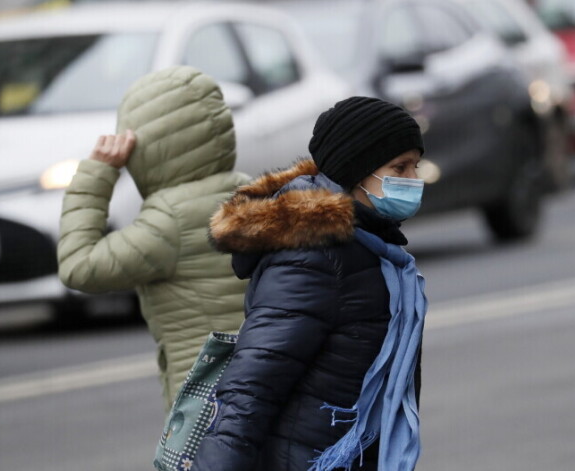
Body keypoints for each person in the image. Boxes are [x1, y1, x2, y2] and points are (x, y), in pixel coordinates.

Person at [192, 96, 428, 471]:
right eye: (399, 168)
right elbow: (252, 386)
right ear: (356, 171)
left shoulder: (372, 249)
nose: (414, 181)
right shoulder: (313, 258)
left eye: (416, 166)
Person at [56, 66, 249, 411]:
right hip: (261, 383)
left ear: (145, 147)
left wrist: (98, 173)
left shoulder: (168, 221)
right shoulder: (248, 193)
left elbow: (78, 266)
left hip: (207, 400)